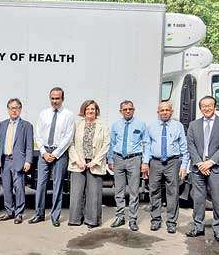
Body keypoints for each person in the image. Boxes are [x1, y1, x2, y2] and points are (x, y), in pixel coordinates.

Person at [142, 102, 188, 234]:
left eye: (167, 110)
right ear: (158, 112)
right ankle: (155, 220)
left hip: (172, 162)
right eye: (162, 110)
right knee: (154, 191)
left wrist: (184, 166)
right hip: (155, 163)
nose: (165, 112)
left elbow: (184, 148)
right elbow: (147, 146)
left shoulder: (178, 126)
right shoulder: (151, 126)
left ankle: (171, 222)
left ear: (171, 112)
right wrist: (145, 163)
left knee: (172, 193)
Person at [31, 87, 74, 227]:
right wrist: (43, 152)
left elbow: (68, 137)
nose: (55, 101)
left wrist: (55, 154)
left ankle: (55, 216)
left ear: (63, 99)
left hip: (59, 154)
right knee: (41, 185)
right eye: (52, 98)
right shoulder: (43, 114)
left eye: (57, 98)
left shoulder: (68, 115)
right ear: (50, 98)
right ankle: (39, 214)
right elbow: (38, 134)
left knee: (57, 186)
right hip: (44, 153)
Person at [186, 96, 219, 242]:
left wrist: (210, 162)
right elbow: (190, 145)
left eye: (210, 105)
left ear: (215, 106)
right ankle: (198, 228)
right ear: (200, 108)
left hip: (216, 168)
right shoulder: (193, 125)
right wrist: (199, 163)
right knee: (198, 200)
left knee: (218, 201)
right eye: (204, 106)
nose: (207, 108)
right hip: (198, 169)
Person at [67, 100, 110, 228]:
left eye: (93, 109)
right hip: (79, 163)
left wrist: (95, 161)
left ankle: (92, 220)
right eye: (87, 109)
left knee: (94, 194)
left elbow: (106, 145)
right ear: (83, 111)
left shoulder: (103, 126)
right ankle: (75, 219)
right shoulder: (77, 125)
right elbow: (71, 144)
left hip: (94, 163)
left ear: (96, 111)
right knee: (76, 193)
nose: (90, 111)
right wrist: (77, 160)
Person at [108, 100, 148, 231]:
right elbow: (112, 143)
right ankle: (120, 217)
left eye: (130, 109)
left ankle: (132, 219)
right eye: (125, 109)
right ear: (120, 111)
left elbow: (146, 143)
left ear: (134, 110)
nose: (127, 111)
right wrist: (110, 159)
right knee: (119, 191)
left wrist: (145, 162)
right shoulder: (115, 125)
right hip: (118, 158)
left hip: (134, 159)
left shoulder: (141, 124)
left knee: (134, 191)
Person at [0, 98, 33, 224]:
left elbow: (29, 146)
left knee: (19, 188)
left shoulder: (27, 126)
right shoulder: (2, 124)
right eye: (11, 108)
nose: (14, 110)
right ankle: (9, 212)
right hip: (5, 161)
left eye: (16, 108)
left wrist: (28, 161)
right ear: (8, 110)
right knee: (6, 188)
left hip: (19, 162)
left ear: (20, 109)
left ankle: (19, 214)